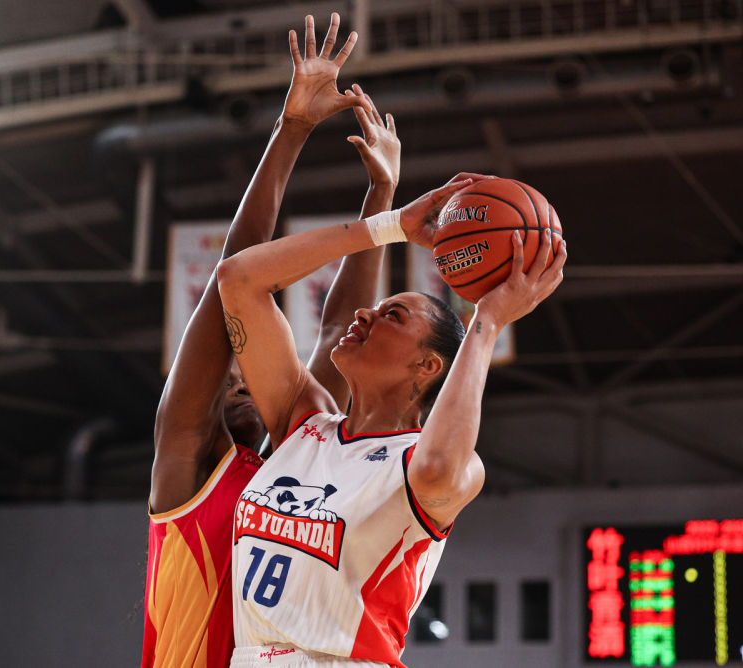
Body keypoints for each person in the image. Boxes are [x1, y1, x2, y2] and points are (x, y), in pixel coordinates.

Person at [217, 176, 566, 665]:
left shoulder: (429, 463)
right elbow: (237, 279)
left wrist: (487, 322)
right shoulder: (304, 422)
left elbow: (436, 468)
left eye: (393, 315)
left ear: (427, 366)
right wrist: (389, 227)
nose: (364, 313)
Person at [143, 13, 401, 667]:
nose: (237, 377)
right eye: (228, 372)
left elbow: (340, 337)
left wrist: (382, 193)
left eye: (243, 372)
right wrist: (293, 129)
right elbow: (238, 272)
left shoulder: (292, 465)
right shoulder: (185, 461)